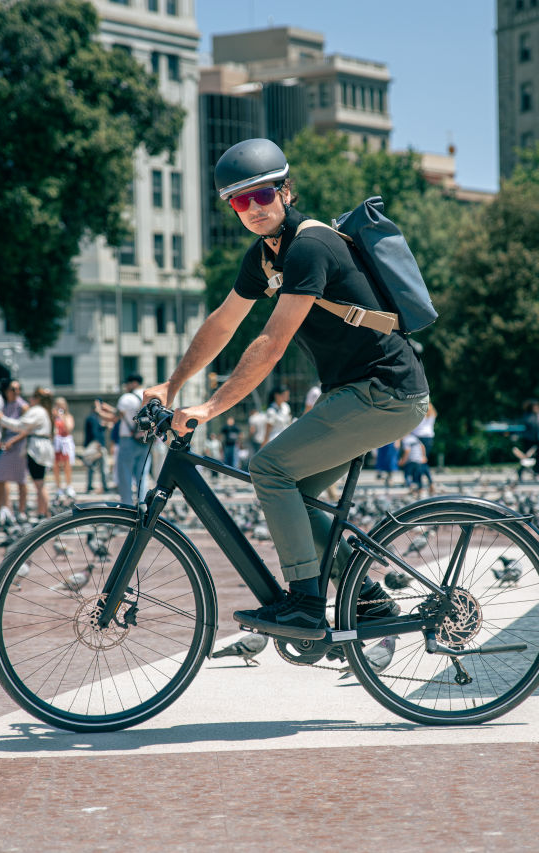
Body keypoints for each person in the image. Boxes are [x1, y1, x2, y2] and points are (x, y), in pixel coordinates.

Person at [142, 137, 429, 640]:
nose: (252, 208)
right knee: (287, 490)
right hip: (355, 393)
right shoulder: (264, 256)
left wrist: (208, 407)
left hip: (384, 391)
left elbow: (271, 342)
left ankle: (305, 604)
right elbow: (223, 323)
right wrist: (172, 384)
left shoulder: (310, 247)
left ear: (286, 192)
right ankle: (368, 600)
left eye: (262, 195)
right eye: (239, 200)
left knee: (268, 469)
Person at [0, 385, 54, 517]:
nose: (30, 399)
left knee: (39, 484)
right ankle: (43, 513)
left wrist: (2, 419)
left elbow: (20, 425)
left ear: (37, 399)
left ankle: (45, 514)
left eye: (33, 396)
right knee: (40, 483)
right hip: (42, 447)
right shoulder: (44, 411)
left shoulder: (37, 410)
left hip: (37, 448)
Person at [0, 378, 29, 517]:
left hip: (19, 444)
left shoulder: (23, 406)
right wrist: (2, 440)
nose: (16, 392)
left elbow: (26, 429)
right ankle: (5, 508)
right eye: (13, 389)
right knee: (0, 477)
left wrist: (12, 441)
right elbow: (3, 428)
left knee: (21, 480)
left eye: (18, 389)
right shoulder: (6, 406)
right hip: (7, 445)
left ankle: (22, 510)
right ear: (6, 391)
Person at [114, 374, 150, 505]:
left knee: (125, 475)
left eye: (127, 384)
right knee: (142, 476)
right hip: (146, 440)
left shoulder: (126, 398)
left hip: (128, 439)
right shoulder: (149, 397)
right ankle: (142, 505)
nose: (126, 387)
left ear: (133, 383)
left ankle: (127, 506)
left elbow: (116, 417)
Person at [82, 398, 111, 494]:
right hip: (97, 445)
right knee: (102, 467)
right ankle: (104, 486)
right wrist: (98, 443)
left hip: (93, 445)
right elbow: (95, 432)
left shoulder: (93, 417)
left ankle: (90, 486)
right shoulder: (94, 418)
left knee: (92, 467)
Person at [514, 399, 539, 483]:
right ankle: (521, 472)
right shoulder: (528, 416)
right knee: (527, 457)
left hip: (538, 439)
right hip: (529, 439)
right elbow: (530, 426)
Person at [51, 396, 76, 498]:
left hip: (65, 442)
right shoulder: (53, 417)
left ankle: (69, 485)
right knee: (56, 465)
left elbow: (69, 428)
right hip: (56, 442)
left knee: (67, 465)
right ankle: (58, 487)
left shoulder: (68, 417)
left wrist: (62, 418)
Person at [401, 431, 430, 496]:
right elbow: (422, 446)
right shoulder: (414, 438)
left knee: (407, 475)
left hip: (411, 460)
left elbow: (407, 451)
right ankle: (420, 489)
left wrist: (403, 460)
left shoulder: (405, 440)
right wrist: (423, 456)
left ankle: (411, 488)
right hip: (418, 460)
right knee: (418, 475)